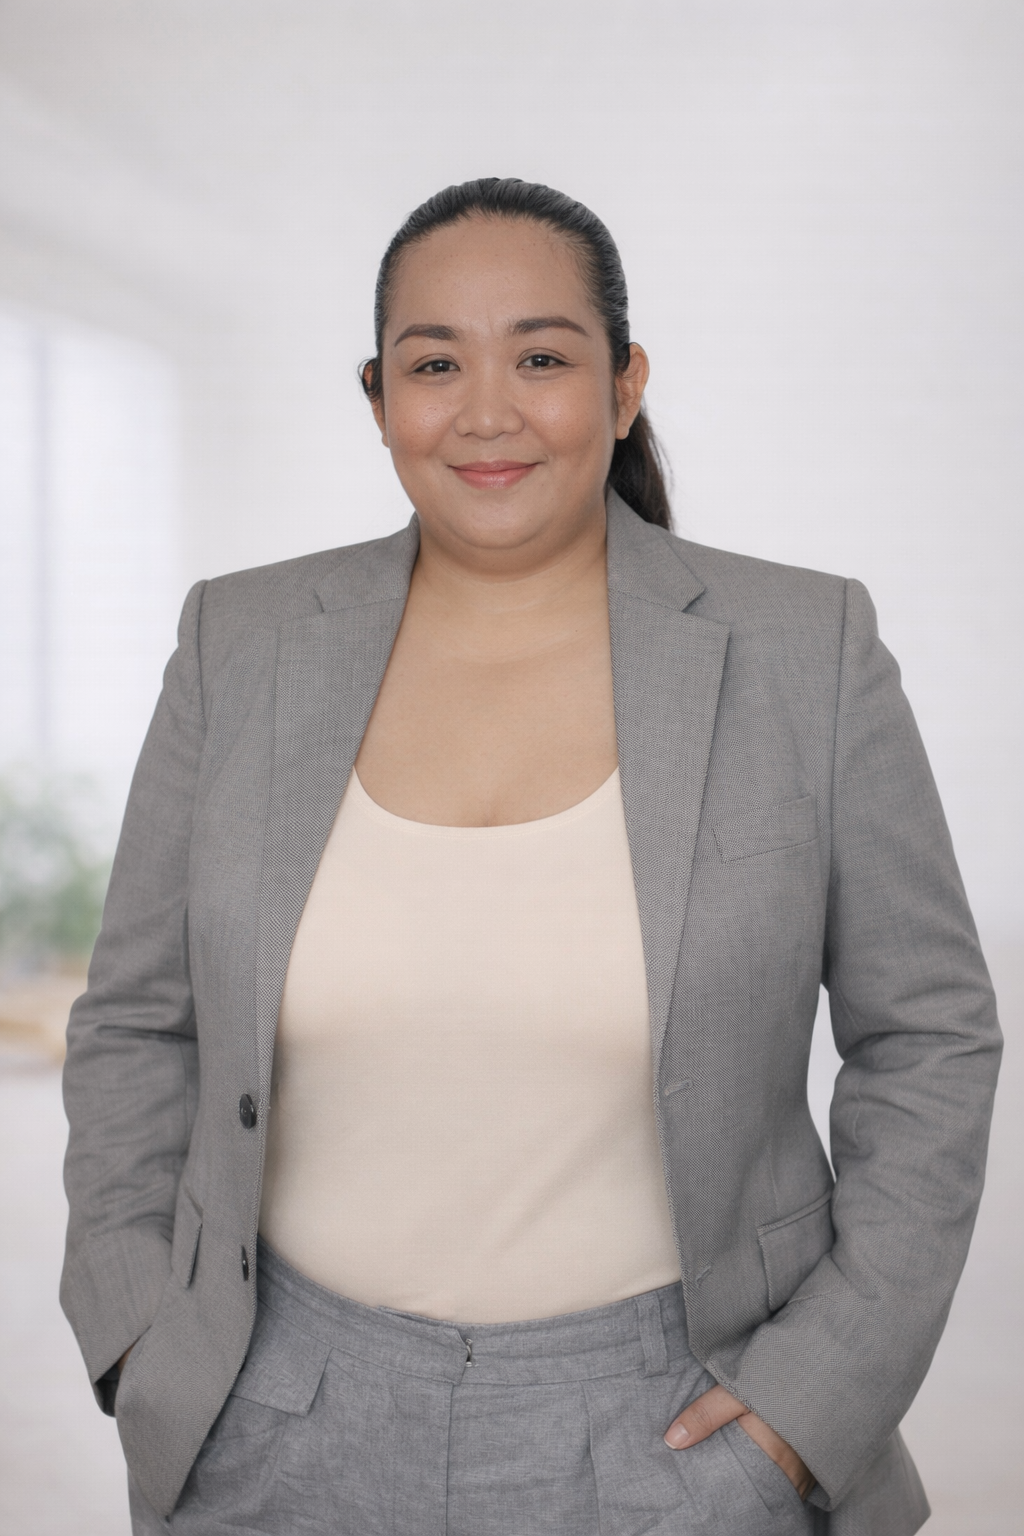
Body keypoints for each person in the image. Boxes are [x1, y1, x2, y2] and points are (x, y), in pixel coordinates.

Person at [61, 178, 1001, 1536]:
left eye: (543, 358)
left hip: (686, 1422)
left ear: (623, 388)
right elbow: (138, 1022)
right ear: (378, 397)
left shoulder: (808, 648)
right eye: (435, 363)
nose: (487, 411)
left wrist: (814, 1403)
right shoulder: (241, 643)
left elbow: (930, 1037)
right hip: (275, 1423)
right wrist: (139, 1329)